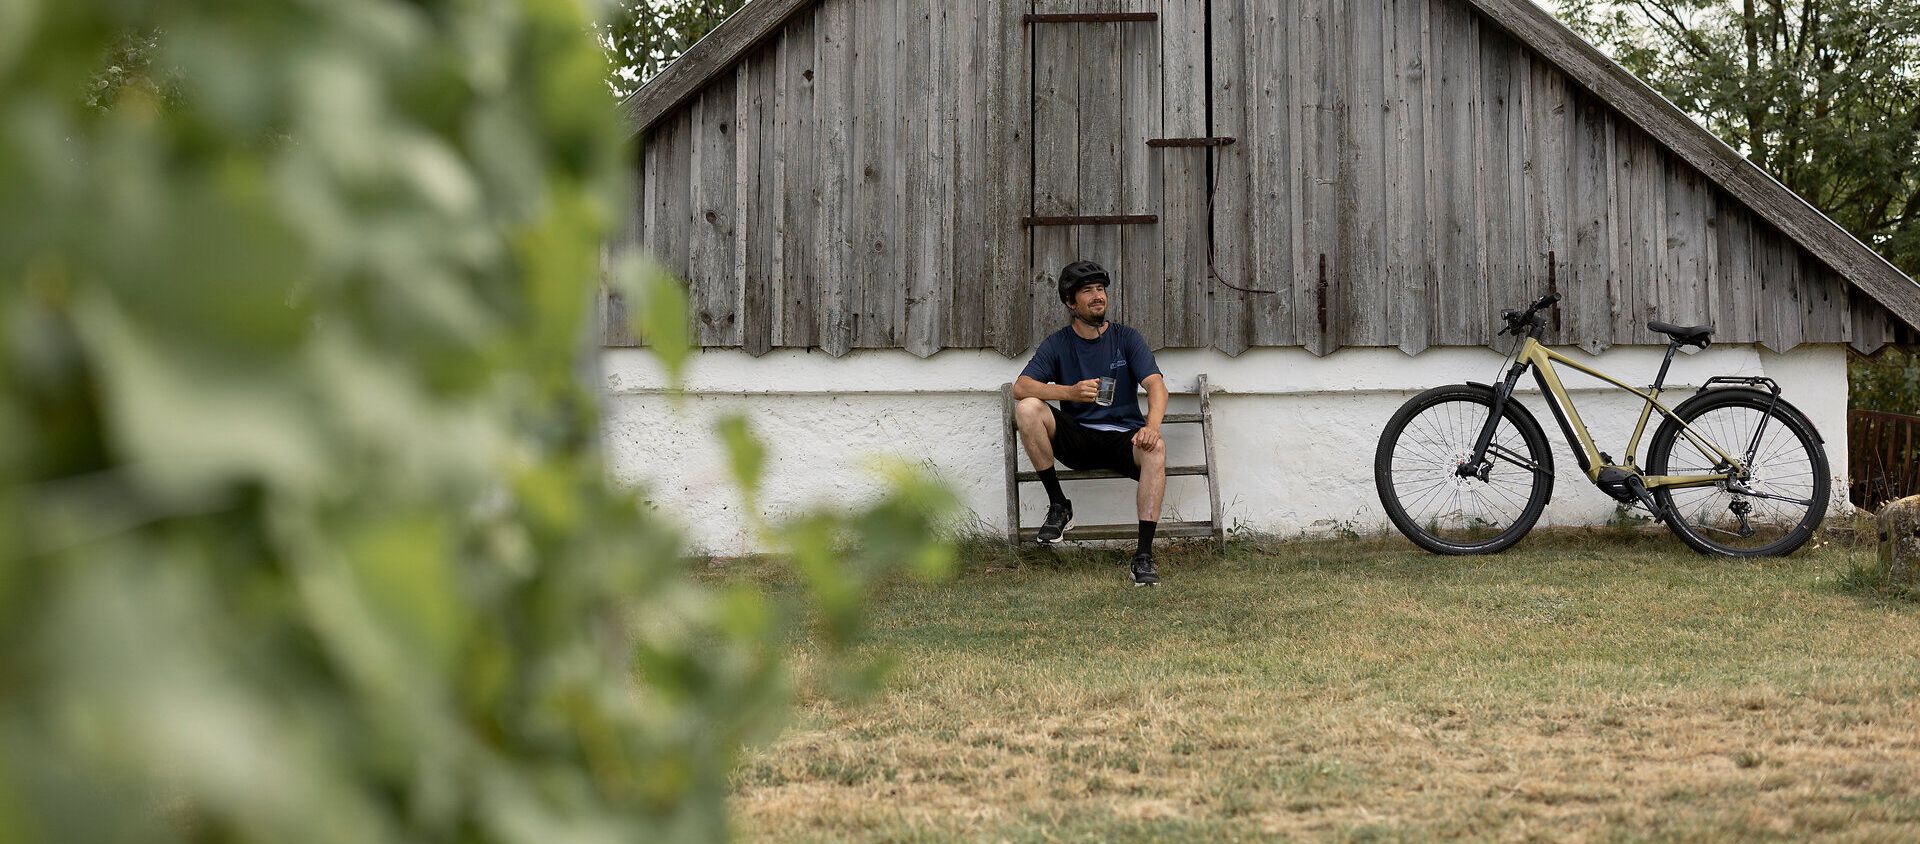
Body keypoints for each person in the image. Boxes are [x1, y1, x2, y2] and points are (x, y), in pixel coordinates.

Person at [1012, 260, 1169, 586]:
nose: (1098, 296)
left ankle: (1142, 556)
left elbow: (1156, 385)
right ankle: (1058, 505)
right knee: (1028, 408)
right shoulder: (1058, 343)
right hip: (1078, 439)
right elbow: (1021, 387)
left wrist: (1151, 427)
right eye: (1088, 291)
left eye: (1100, 289)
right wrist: (1068, 391)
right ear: (1071, 303)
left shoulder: (1126, 338)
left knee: (1156, 449)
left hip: (1123, 437)